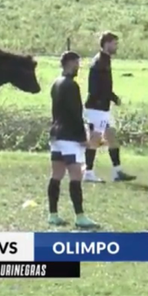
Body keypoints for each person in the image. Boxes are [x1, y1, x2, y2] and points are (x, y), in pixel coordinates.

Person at [47, 51, 99, 229]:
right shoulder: (71, 85)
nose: (79, 67)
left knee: (56, 175)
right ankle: (80, 216)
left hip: (56, 135)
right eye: (77, 63)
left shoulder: (56, 83)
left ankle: (53, 214)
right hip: (69, 137)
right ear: (69, 63)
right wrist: (83, 137)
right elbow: (75, 113)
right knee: (76, 176)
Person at [82, 32, 135, 183]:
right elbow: (96, 88)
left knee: (111, 137)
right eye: (114, 43)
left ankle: (117, 172)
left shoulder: (105, 60)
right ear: (106, 44)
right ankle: (88, 173)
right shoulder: (100, 62)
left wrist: (112, 98)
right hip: (96, 109)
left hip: (103, 108)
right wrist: (112, 98)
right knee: (95, 140)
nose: (116, 46)